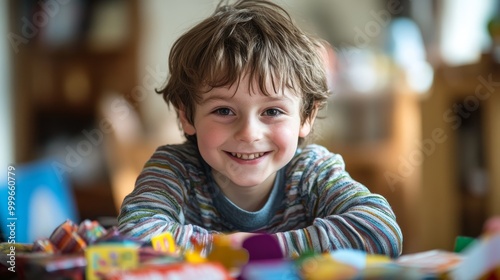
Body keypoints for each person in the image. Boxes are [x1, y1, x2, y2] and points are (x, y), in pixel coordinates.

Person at [118, 0, 403, 258]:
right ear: (186, 116)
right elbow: (134, 234)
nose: (249, 133)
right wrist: (230, 250)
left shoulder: (313, 172)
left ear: (306, 117)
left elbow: (379, 230)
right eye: (224, 111)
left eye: (272, 111)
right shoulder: (174, 169)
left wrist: (269, 249)